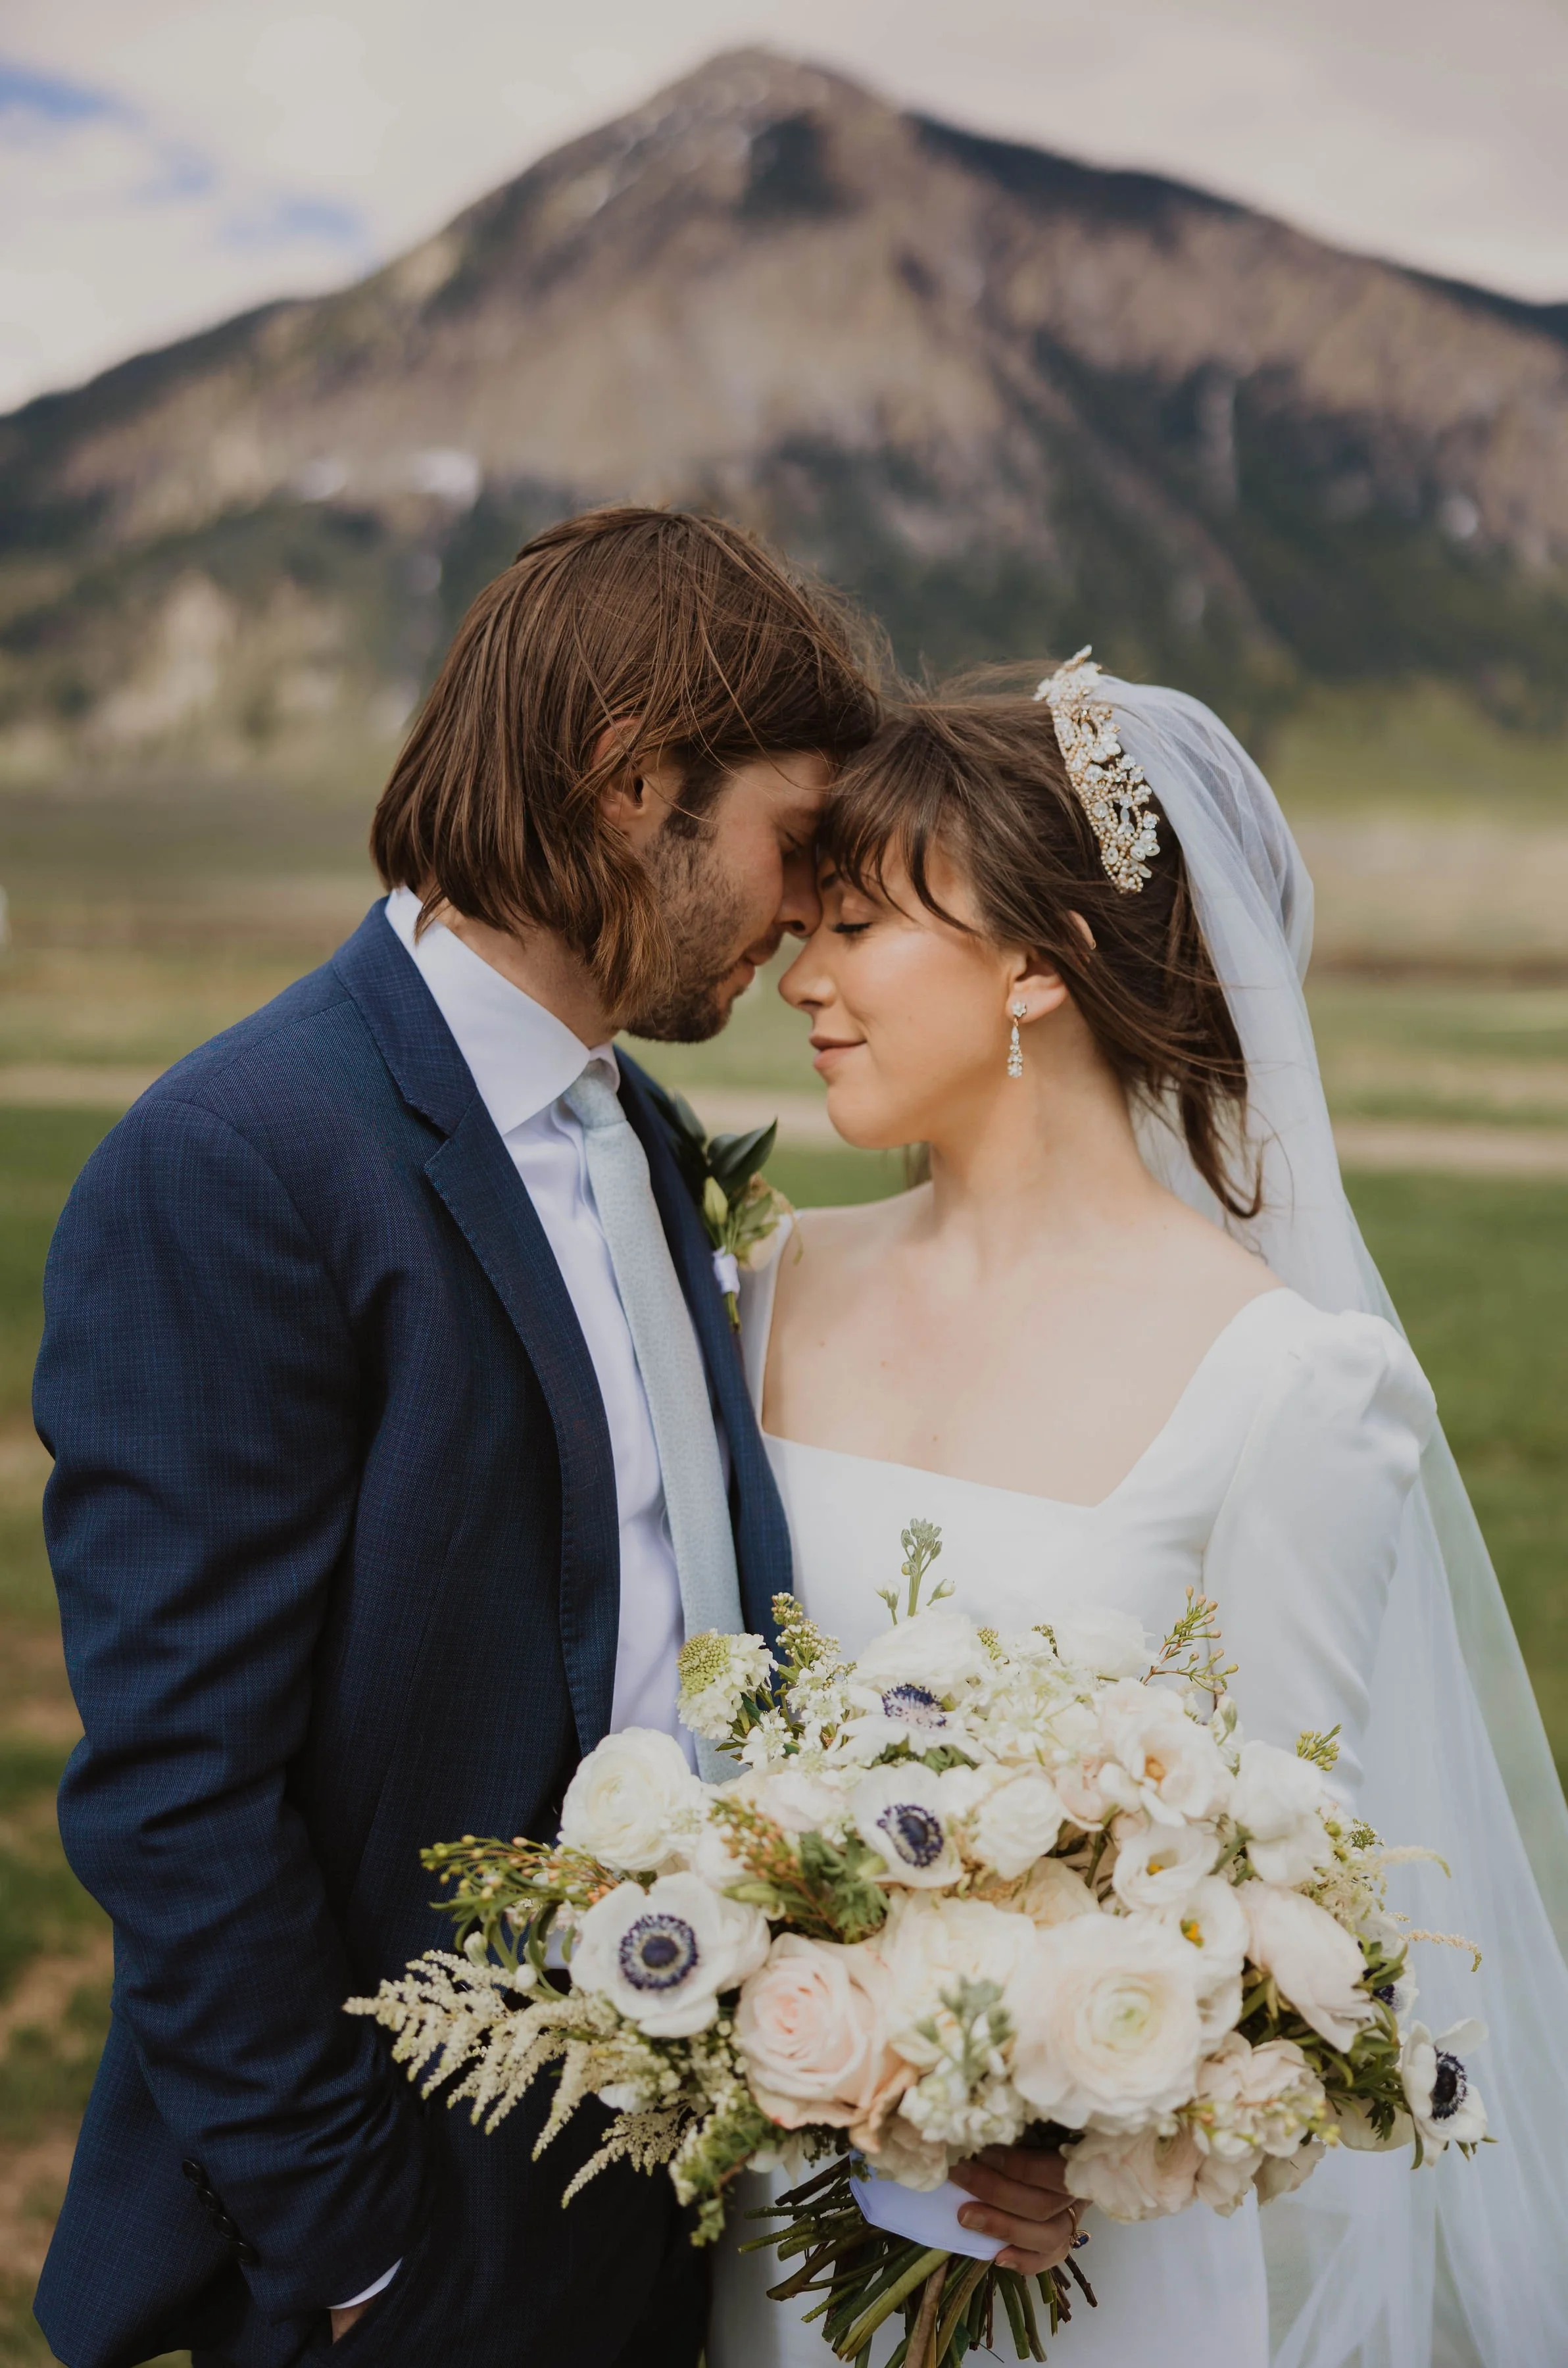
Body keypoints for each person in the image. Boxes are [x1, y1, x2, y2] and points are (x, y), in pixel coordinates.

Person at [33, 506, 912, 2368]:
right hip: (404, 2237)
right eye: (790, 844)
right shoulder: (238, 1165)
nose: (807, 913)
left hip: (672, 2195)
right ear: (629, 784)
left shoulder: (653, 1142)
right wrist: (355, 2247)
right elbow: (173, 1789)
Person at [710, 661, 1568, 2368]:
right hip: (764, 2210)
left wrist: (1092, 2129)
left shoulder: (1285, 1384)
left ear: (1036, 961)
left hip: (1078, 2277)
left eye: (863, 925)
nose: (801, 977)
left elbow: (1303, 1908)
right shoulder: (766, 1280)